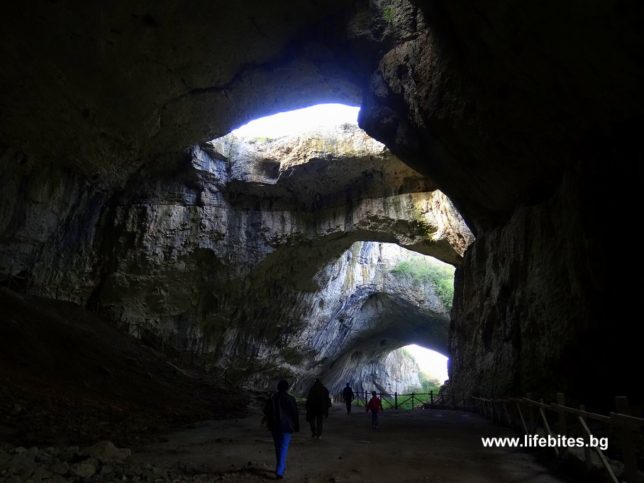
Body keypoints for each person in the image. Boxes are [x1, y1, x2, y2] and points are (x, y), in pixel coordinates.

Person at [263, 379, 299, 480]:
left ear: (278, 387)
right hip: (287, 427)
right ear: (287, 388)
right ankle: (279, 471)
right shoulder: (291, 399)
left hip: (275, 426)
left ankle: (280, 467)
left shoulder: (273, 398)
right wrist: (296, 426)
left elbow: (266, 411)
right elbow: (294, 414)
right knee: (283, 447)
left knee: (278, 447)